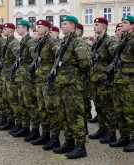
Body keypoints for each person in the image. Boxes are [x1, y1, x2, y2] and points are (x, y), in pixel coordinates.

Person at [50, 15, 90, 159]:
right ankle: (69, 142)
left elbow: (85, 63)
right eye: (62, 24)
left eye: (65, 24)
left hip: (72, 84)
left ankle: (80, 146)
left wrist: (74, 75)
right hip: (61, 83)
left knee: (75, 114)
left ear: (73, 26)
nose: (62, 26)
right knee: (64, 114)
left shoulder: (77, 42)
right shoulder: (64, 42)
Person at [29, 20, 60, 151]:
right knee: (42, 108)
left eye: (40, 27)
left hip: (48, 81)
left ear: (47, 29)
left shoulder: (52, 42)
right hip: (39, 80)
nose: (37, 28)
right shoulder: (40, 43)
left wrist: (52, 74)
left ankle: (55, 138)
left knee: (51, 109)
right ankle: (45, 134)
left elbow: (58, 59)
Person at [107, 15, 134, 152]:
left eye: (125, 23)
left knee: (130, 111)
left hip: (129, 81)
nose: (122, 25)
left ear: (132, 26)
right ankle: (124, 136)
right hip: (118, 79)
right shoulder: (123, 39)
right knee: (119, 110)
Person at [10, 20, 40, 140]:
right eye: (17, 27)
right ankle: (25, 127)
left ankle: (35, 130)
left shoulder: (30, 42)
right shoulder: (23, 41)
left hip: (27, 78)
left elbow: (35, 59)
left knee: (30, 104)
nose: (17, 29)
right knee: (22, 103)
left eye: (19, 27)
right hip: (21, 77)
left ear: (26, 28)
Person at [89, 17, 117, 144]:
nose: (94, 26)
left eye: (97, 24)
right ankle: (102, 129)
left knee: (107, 107)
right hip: (95, 79)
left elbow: (114, 59)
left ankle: (111, 132)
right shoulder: (97, 42)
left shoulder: (109, 42)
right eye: (94, 24)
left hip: (104, 80)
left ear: (104, 27)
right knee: (99, 106)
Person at [0, 23, 19, 131]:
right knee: (5, 99)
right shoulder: (7, 42)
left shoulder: (14, 43)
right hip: (5, 75)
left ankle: (17, 123)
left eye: (5, 29)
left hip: (11, 75)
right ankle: (9, 121)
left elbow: (18, 58)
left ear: (11, 31)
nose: (3, 30)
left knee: (13, 100)